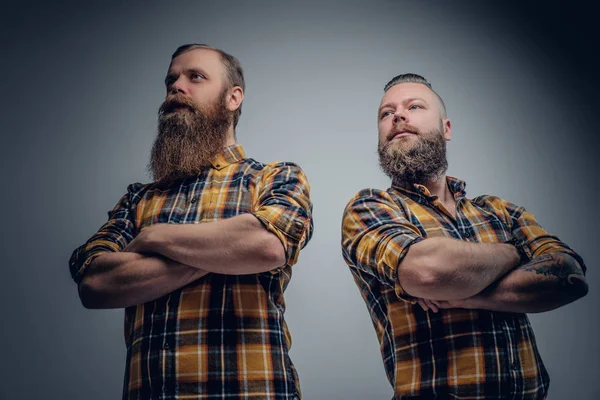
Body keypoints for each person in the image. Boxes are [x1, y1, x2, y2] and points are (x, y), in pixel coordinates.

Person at [69, 44, 313, 400]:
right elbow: (94, 283)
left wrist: (154, 236)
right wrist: (225, 254)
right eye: (172, 80)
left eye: (195, 77)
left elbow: (266, 245)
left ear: (233, 98)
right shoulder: (139, 198)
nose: (177, 87)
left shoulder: (275, 178)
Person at [341, 73, 588, 399]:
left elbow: (568, 276)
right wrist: (516, 252)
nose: (398, 115)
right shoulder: (370, 208)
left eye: (414, 106)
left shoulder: (500, 211)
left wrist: (464, 294)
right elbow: (429, 272)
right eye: (386, 113)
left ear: (446, 129)